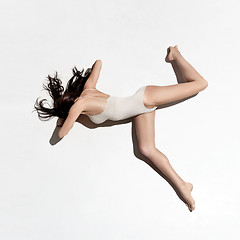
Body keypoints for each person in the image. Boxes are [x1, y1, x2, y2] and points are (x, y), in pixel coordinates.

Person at [34, 45, 208, 212]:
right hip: (139, 111)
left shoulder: (81, 103)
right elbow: (99, 63)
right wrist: (86, 80)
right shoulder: (88, 89)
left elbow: (62, 133)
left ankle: (175, 54)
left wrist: (62, 120)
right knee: (146, 149)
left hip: (146, 98)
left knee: (200, 84)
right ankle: (183, 186)